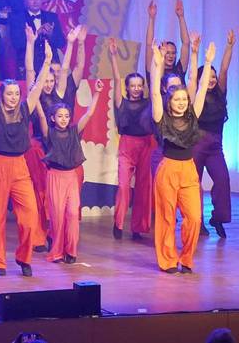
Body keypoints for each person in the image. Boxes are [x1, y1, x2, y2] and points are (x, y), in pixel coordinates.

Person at [0, 31, 51, 277]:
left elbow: (38, 87)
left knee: (30, 216)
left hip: (20, 166)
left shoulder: (24, 110)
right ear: (2, 95)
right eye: (8, 93)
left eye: (15, 94)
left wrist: (46, 62)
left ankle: (24, 258)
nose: (13, 97)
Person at [150, 38, 215, 274]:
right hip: (168, 169)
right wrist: (157, 65)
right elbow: (154, 94)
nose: (181, 102)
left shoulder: (192, 116)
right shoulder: (162, 117)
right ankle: (168, 260)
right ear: (170, 101)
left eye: (184, 99)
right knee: (166, 217)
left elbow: (199, 86)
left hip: (189, 169)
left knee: (195, 218)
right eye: (177, 99)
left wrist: (207, 62)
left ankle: (187, 258)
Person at [23, 24, 85, 250]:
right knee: (39, 193)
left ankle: (59, 235)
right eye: (45, 81)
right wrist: (30, 44)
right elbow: (30, 70)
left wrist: (70, 43)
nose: (48, 84)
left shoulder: (59, 94)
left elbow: (66, 68)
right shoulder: (34, 96)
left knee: (61, 198)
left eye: (51, 80)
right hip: (39, 149)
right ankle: (39, 235)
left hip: (60, 149)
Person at [37, 79, 101, 264]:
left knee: (73, 214)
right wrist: (36, 93)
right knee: (57, 217)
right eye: (60, 116)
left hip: (71, 177)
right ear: (53, 118)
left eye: (66, 116)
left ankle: (71, 251)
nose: (64, 119)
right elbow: (40, 115)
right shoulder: (49, 133)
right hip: (55, 177)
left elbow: (89, 114)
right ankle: (56, 252)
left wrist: (97, 93)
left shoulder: (74, 132)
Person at [107, 37, 156, 241]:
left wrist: (158, 59)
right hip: (127, 145)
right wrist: (113, 57)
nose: (136, 88)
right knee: (124, 186)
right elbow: (117, 79)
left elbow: (154, 82)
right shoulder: (122, 102)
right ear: (127, 88)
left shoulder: (149, 102)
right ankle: (118, 223)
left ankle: (138, 227)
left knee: (144, 188)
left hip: (146, 145)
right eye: (133, 86)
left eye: (139, 85)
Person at [189, 31, 235, 237]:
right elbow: (193, 77)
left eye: (213, 77)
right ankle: (196, 221)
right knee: (194, 184)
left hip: (216, 147)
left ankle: (218, 218)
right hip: (196, 145)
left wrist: (229, 46)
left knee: (223, 180)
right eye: (208, 76)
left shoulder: (220, 93)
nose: (212, 80)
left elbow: (224, 69)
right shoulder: (196, 96)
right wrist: (195, 51)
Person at [10, 0, 66, 77]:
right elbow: (17, 44)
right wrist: (37, 33)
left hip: (51, 67)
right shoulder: (17, 18)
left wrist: (51, 35)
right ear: (25, 1)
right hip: (27, 67)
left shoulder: (52, 17)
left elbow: (61, 43)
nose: (35, 2)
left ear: (41, 0)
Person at [144, 0, 191, 83]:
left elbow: (186, 44)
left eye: (173, 53)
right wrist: (151, 19)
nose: (170, 56)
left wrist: (181, 17)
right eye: (167, 53)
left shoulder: (179, 71)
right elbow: (149, 45)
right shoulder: (153, 71)